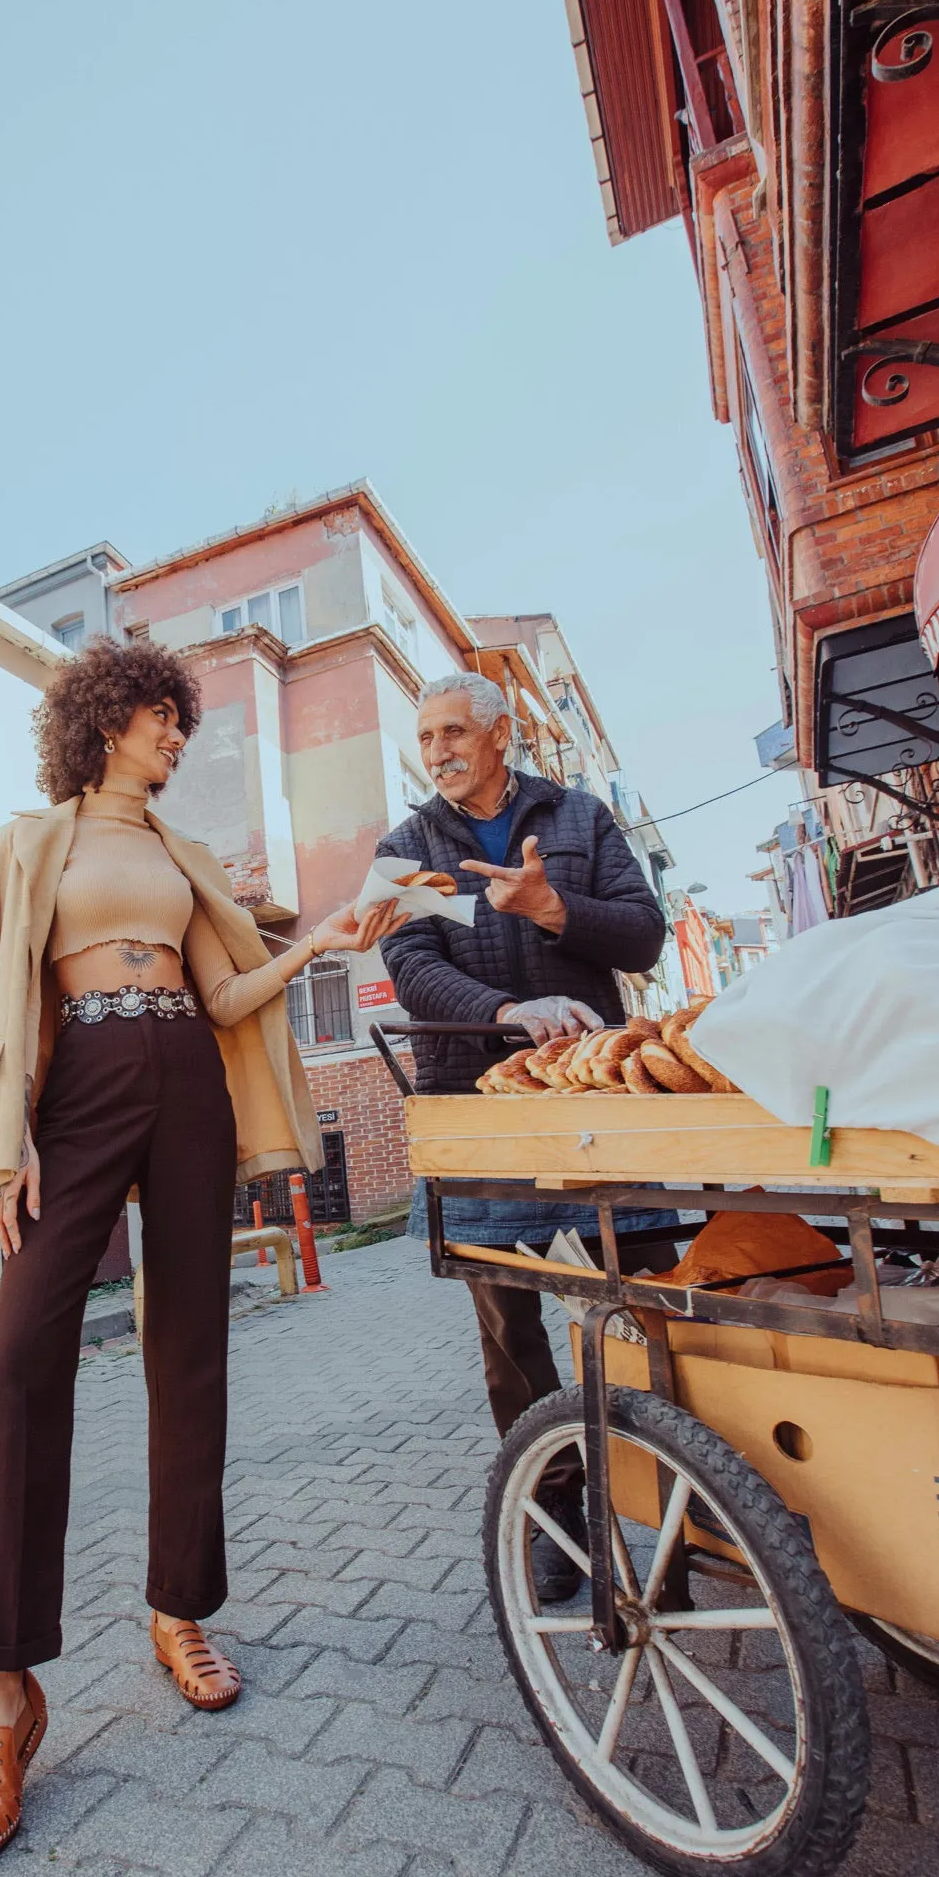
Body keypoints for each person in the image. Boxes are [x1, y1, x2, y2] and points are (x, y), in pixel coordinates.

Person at [0, 637, 403, 1866]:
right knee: (24, 1363)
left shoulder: (186, 861)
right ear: (104, 720)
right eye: (156, 715)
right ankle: (2, 1698)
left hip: (187, 1078)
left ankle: (178, 1609)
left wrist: (318, 945)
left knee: (189, 1356)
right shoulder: (29, 846)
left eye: (178, 718)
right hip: (73, 1085)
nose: (174, 733)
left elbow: (227, 995)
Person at [377, 671, 680, 1599]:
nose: (437, 752)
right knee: (511, 1329)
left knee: (640, 1301)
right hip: (476, 1111)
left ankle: (670, 1494)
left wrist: (553, 909)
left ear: (502, 733)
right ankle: (557, 1512)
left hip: (596, 1103)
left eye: (454, 732)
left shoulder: (582, 819)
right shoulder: (407, 848)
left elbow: (644, 938)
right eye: (426, 737)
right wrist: (512, 1009)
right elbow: (411, 967)